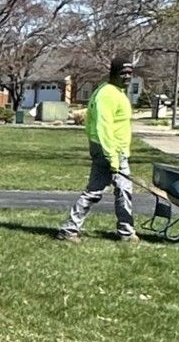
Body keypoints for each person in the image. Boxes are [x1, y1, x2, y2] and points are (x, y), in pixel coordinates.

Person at [58, 57, 139, 245]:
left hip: (110, 149)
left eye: (130, 73)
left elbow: (89, 123)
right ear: (113, 73)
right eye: (123, 73)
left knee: (99, 191)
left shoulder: (112, 92)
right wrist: (112, 158)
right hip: (110, 150)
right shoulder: (108, 94)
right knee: (121, 191)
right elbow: (103, 127)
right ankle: (126, 233)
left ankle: (70, 229)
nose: (127, 76)